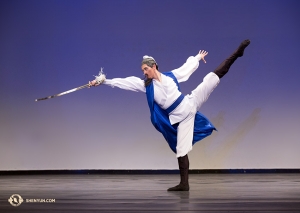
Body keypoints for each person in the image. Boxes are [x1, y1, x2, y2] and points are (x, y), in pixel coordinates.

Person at [89, 39, 250, 191]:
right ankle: (184, 184)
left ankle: (237, 53)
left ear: (154, 66)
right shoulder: (146, 86)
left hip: (190, 103)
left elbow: (186, 68)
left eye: (146, 69)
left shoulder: (171, 76)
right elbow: (126, 82)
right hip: (182, 119)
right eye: (142, 70)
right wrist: (104, 81)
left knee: (211, 78)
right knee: (181, 150)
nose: (144, 72)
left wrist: (198, 57)